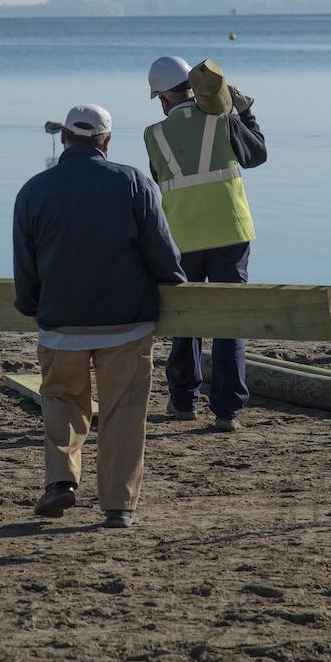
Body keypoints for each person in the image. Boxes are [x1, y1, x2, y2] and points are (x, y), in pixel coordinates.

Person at [13, 103, 186, 528]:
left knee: (61, 403)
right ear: (106, 142)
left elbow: (25, 264)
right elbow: (163, 255)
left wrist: (35, 307)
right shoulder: (132, 182)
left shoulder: (34, 189)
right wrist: (175, 281)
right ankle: (119, 506)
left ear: (65, 138)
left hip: (60, 325)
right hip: (126, 323)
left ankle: (61, 482)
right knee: (123, 410)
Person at [143, 55, 267, 432]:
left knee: (187, 319)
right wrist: (243, 113)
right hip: (230, 231)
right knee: (229, 320)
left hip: (182, 236)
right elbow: (257, 155)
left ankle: (183, 401)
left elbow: (159, 175)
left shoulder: (154, 134)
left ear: (162, 98)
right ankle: (227, 411)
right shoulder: (222, 119)